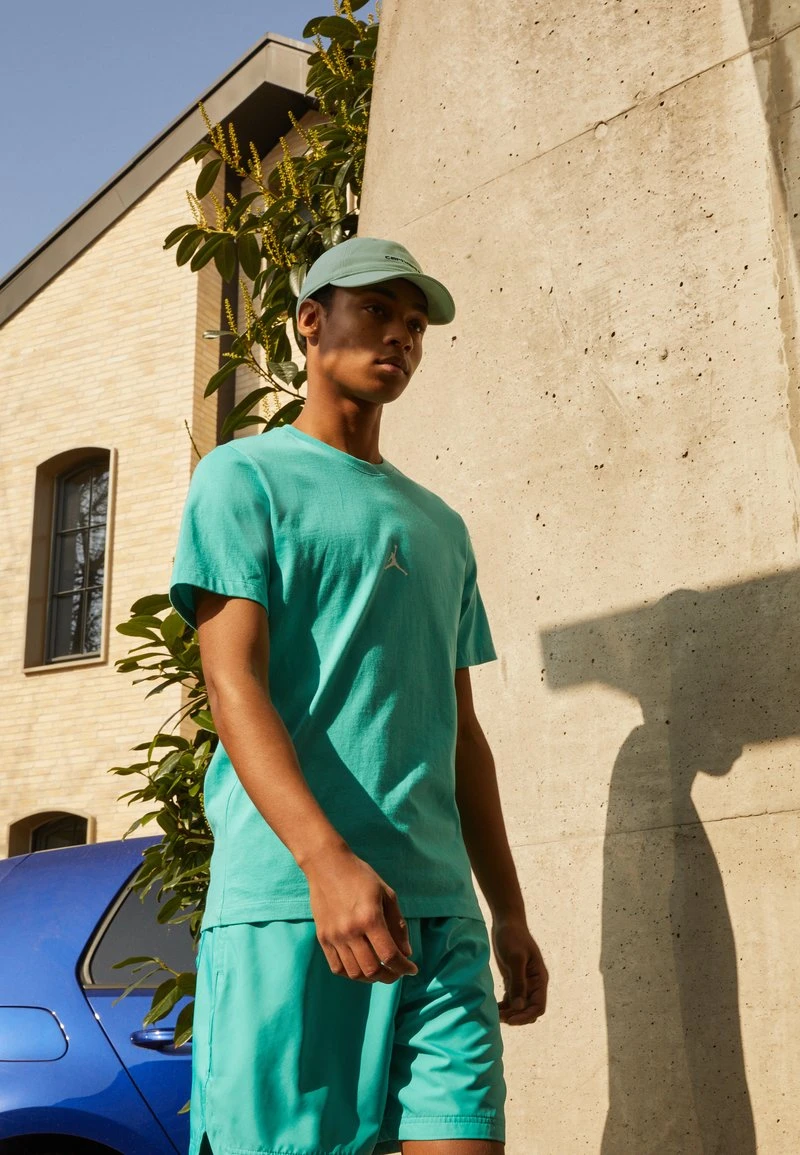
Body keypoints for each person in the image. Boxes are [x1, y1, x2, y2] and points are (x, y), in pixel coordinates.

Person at [169, 236, 548, 1155]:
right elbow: (231, 682)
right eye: (376, 311)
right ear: (311, 321)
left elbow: (463, 735)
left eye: (415, 324)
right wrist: (325, 859)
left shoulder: (441, 526)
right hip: (292, 902)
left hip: (438, 917)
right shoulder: (242, 479)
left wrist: (507, 909)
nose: (400, 336)